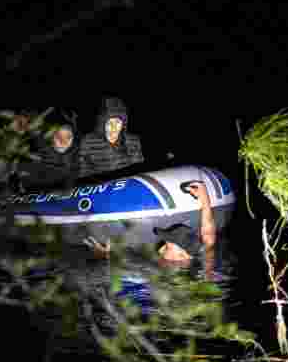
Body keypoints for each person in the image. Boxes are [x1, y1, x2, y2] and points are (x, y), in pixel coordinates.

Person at [84, 181, 216, 265]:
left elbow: (133, 266)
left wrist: (105, 257)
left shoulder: (173, 271)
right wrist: (204, 199)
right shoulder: (198, 253)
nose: (162, 247)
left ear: (182, 254)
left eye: (168, 245)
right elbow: (208, 235)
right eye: (166, 242)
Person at [77, 97, 143, 179]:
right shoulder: (87, 143)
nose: (114, 127)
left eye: (117, 122)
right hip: (101, 186)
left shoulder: (133, 141)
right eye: (110, 123)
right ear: (102, 124)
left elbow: (139, 170)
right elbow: (82, 174)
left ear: (123, 124)